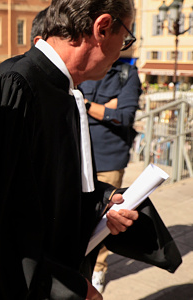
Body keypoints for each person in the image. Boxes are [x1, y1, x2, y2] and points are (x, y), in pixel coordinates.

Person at [0, 0, 142, 299]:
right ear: (102, 27)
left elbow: (42, 197)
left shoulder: (56, 89)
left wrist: (101, 204)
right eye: (127, 36)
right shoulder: (18, 86)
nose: (126, 47)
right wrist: (68, 289)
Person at [79, 59, 142, 292]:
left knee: (103, 219)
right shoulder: (82, 68)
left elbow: (124, 116)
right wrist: (105, 108)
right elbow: (68, 104)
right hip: (80, 158)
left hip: (109, 161)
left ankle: (98, 269)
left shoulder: (126, 73)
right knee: (78, 217)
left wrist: (85, 105)